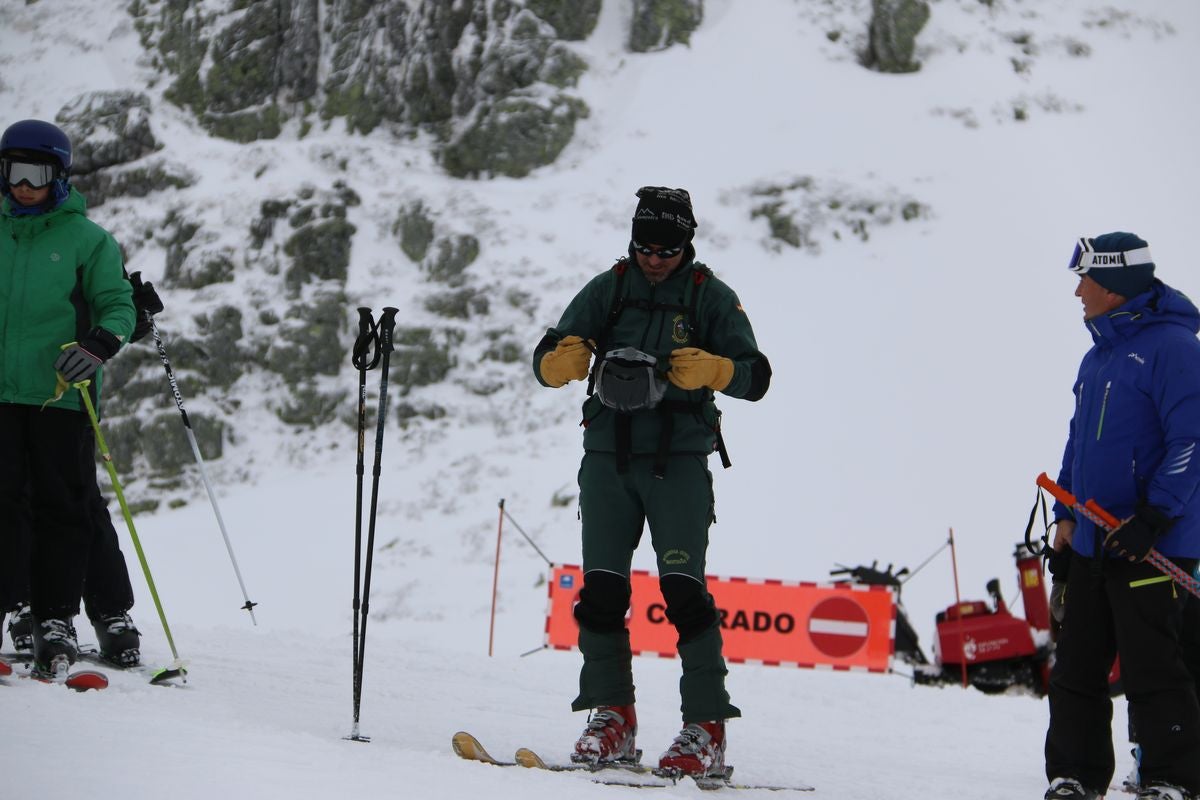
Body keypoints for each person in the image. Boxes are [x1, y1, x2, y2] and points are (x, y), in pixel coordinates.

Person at [532, 186, 772, 777]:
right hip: (608, 456)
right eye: (644, 245)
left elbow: (757, 376)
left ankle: (706, 728)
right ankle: (612, 717)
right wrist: (557, 363)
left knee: (685, 594)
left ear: (686, 244)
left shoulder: (710, 297)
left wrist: (719, 370)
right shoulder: (609, 288)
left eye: (666, 248)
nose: (653, 257)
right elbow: (546, 355)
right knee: (603, 594)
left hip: (679, 462)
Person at [1044, 232, 1200, 800]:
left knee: (1153, 668)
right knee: (1076, 668)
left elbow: (1192, 441)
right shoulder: (1100, 353)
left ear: (1116, 284)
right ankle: (1073, 776)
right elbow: (1078, 444)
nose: (1078, 291)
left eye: (1086, 279)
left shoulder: (1175, 349)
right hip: (1091, 542)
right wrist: (1065, 513)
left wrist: (1154, 517)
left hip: (1151, 544)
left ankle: (1171, 779)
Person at [0, 119, 135, 676]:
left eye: (36, 173)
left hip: (60, 397)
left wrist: (99, 346)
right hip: (3, 398)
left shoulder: (88, 240)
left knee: (62, 508)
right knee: (5, 505)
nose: (22, 185)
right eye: (11, 171)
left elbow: (118, 306)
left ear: (60, 177)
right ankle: (17, 606)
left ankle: (56, 618)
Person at [2, 272, 163, 666]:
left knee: (75, 500)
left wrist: (130, 314)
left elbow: (108, 303)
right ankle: (33, 607)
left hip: (64, 394)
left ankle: (105, 613)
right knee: (21, 497)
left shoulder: (79, 241)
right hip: (13, 391)